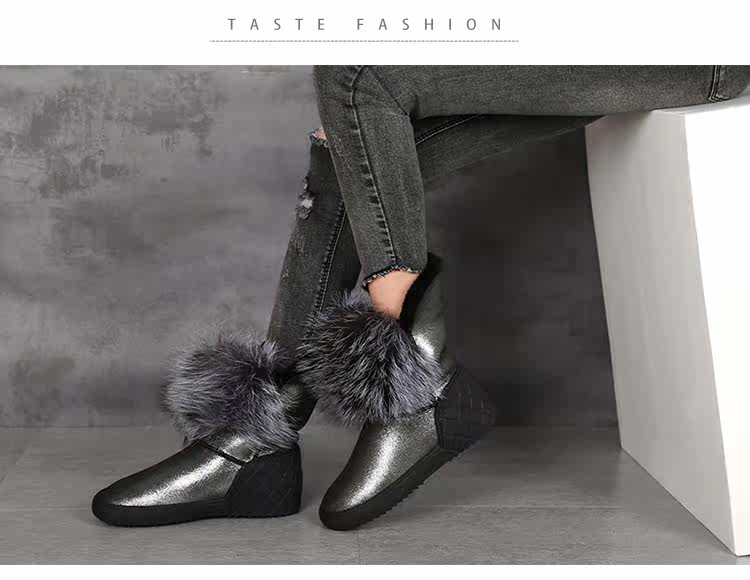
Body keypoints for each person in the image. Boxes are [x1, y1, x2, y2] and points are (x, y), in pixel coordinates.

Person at [91, 66, 750, 530]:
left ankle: (406, 371)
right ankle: (259, 437)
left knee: (359, 76)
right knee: (350, 150)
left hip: (692, 43)